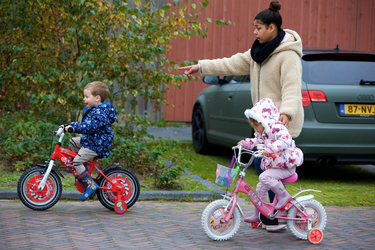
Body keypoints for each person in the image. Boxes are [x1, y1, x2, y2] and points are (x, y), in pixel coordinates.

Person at [178, 0, 304, 230]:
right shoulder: (259, 52)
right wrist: (201, 66)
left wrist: (286, 113)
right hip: (262, 124)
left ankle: (274, 218)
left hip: (279, 125)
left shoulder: (287, 55)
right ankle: (268, 214)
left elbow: (292, 88)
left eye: (258, 27)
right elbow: (231, 63)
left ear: (272, 28)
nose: (254, 32)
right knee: (262, 167)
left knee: (268, 171)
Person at [238, 98, 303, 229]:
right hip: (277, 165)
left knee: (264, 177)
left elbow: (285, 140)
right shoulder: (262, 133)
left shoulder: (277, 128)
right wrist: (245, 144)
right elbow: (255, 142)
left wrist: (270, 149)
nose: (256, 129)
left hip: (287, 165)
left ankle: (283, 196)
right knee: (260, 188)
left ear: (264, 121)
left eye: (257, 125)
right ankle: (260, 214)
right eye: (254, 126)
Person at [62, 81, 117, 201]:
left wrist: (74, 128)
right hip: (92, 140)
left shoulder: (99, 113)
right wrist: (70, 125)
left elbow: (89, 127)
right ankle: (83, 170)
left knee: (76, 161)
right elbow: (84, 124)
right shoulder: (94, 110)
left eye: (87, 96)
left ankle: (89, 184)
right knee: (73, 141)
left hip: (97, 145)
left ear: (97, 98)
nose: (84, 99)